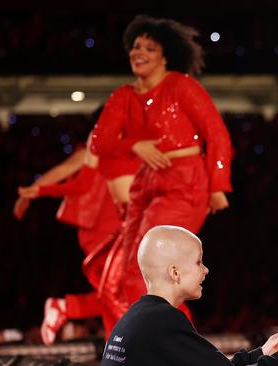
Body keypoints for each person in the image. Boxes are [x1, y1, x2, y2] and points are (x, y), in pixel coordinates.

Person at [90, 15, 232, 316]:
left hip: (185, 180)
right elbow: (98, 142)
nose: (139, 52)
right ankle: (161, 346)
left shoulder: (181, 86)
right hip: (146, 181)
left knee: (161, 272)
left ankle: (177, 349)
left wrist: (218, 185)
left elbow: (216, 133)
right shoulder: (124, 96)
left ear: (166, 56)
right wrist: (134, 145)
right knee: (133, 272)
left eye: (150, 48)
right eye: (136, 46)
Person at [101, 225, 278, 366]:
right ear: (175, 272)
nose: (206, 270)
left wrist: (261, 353)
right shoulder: (163, 321)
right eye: (198, 262)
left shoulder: (141, 316)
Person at [17, 133, 122, 344]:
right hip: (99, 236)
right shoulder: (92, 151)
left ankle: (66, 308)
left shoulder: (131, 151)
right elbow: (62, 171)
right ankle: (67, 309)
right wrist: (29, 194)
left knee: (125, 294)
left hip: (121, 232)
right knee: (120, 294)